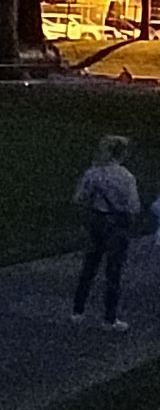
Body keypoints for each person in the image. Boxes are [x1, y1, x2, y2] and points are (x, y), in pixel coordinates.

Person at [72, 135, 140, 331]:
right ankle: (109, 318)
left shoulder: (93, 173)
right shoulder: (127, 177)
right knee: (113, 272)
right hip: (117, 225)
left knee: (89, 267)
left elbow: (80, 198)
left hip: (96, 222)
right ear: (122, 154)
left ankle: (78, 311)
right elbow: (133, 206)